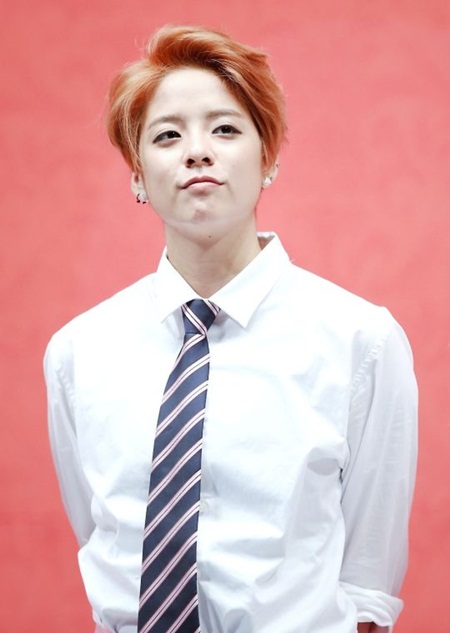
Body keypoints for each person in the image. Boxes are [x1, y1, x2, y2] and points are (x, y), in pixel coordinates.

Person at [44, 24, 417, 633]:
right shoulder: (78, 353)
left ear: (268, 158)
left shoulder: (360, 340)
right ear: (136, 175)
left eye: (224, 129)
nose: (197, 151)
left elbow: (369, 581)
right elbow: (101, 535)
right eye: (167, 135)